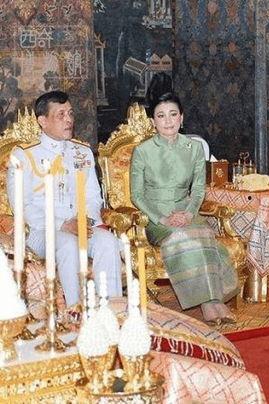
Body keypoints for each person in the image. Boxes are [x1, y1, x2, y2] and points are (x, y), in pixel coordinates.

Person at [130, 92, 238, 324]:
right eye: (161, 116)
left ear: (182, 118)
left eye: (173, 114)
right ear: (153, 121)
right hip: (156, 218)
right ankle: (209, 303)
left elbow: (198, 189)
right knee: (185, 237)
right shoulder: (143, 151)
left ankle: (214, 300)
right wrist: (161, 218)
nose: (168, 121)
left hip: (187, 211)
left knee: (204, 233)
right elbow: (137, 195)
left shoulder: (194, 148)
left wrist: (189, 213)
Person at [7, 91, 123, 306]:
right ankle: (74, 310)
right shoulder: (24, 156)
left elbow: (93, 196)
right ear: (43, 121)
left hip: (81, 224)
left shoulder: (82, 152)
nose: (69, 119)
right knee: (68, 243)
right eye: (60, 115)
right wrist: (62, 224)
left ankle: (112, 309)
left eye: (70, 113)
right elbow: (23, 206)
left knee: (107, 241)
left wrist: (85, 220)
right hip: (41, 231)